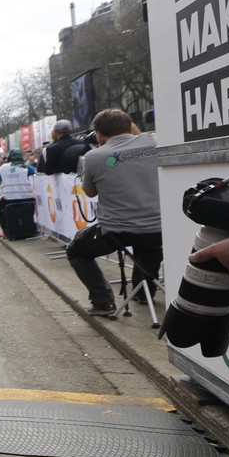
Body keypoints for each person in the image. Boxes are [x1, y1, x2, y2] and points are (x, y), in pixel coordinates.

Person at [65, 109, 163, 319]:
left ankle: (103, 301)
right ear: (131, 126)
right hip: (159, 227)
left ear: (99, 134)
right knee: (150, 244)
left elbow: (90, 193)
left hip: (117, 230)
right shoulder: (153, 142)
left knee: (76, 250)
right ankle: (143, 294)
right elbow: (137, 135)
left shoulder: (94, 156)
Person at [0, 150, 35, 238]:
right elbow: (36, 175)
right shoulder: (28, 168)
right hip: (28, 198)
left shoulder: (3, 168)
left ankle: (6, 231)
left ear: (9, 158)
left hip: (8, 200)